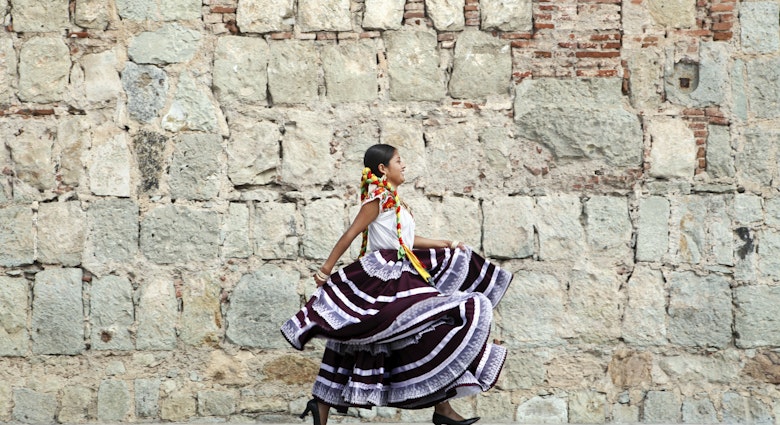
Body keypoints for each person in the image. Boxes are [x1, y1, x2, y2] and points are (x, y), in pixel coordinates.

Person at [281, 144, 512, 425]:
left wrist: (445, 243)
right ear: (383, 169)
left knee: (397, 335)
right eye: (399, 161)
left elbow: (406, 241)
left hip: (404, 272)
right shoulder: (377, 199)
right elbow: (351, 233)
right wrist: (326, 269)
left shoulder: (395, 201)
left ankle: (441, 409)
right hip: (384, 277)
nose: (404, 166)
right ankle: (442, 409)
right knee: (398, 331)